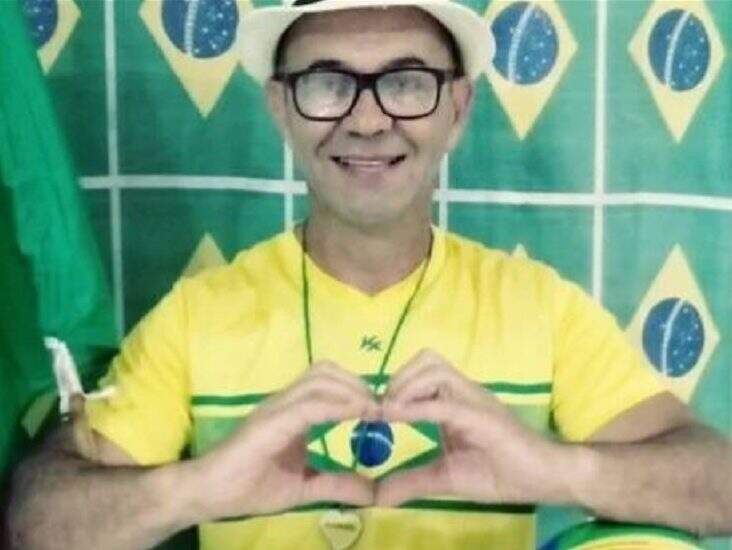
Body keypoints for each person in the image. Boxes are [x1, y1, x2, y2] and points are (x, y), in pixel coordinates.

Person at [8, 0, 732, 548]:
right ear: (280, 108)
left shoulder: (541, 307)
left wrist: (553, 470)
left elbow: (718, 487)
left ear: (458, 108)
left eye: (407, 83)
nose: (366, 120)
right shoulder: (199, 314)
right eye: (328, 83)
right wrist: (199, 488)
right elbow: (36, 524)